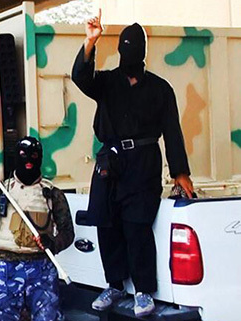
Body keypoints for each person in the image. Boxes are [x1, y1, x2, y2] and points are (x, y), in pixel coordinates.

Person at [71, 9, 194, 317]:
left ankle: (142, 291)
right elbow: (81, 77)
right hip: (110, 161)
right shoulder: (107, 82)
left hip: (143, 163)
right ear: (120, 50)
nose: (129, 53)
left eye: (134, 48)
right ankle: (113, 284)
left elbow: (172, 131)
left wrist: (180, 173)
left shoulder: (160, 88)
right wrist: (90, 41)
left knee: (138, 227)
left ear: (142, 53)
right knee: (106, 223)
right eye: (125, 47)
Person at [0, 137, 74, 321]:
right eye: (22, 155)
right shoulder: (3, 190)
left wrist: (53, 243)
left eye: (34, 156)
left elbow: (67, 232)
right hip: (5, 267)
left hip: (41, 269)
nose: (28, 161)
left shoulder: (52, 193)